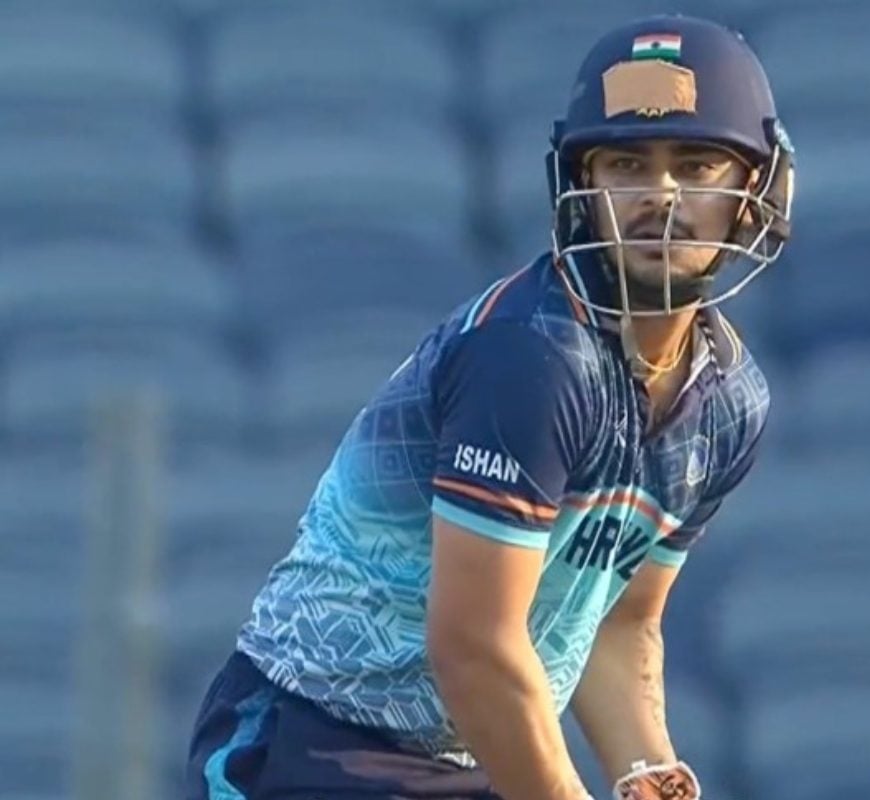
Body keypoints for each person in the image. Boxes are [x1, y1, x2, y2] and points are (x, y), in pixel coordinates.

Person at [186, 13, 793, 800]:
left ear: (757, 189)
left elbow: (615, 623)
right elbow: (474, 647)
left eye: (698, 164)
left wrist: (647, 771)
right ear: (580, 187)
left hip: (462, 757)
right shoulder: (533, 356)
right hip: (311, 738)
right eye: (626, 163)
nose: (661, 194)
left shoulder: (729, 404)